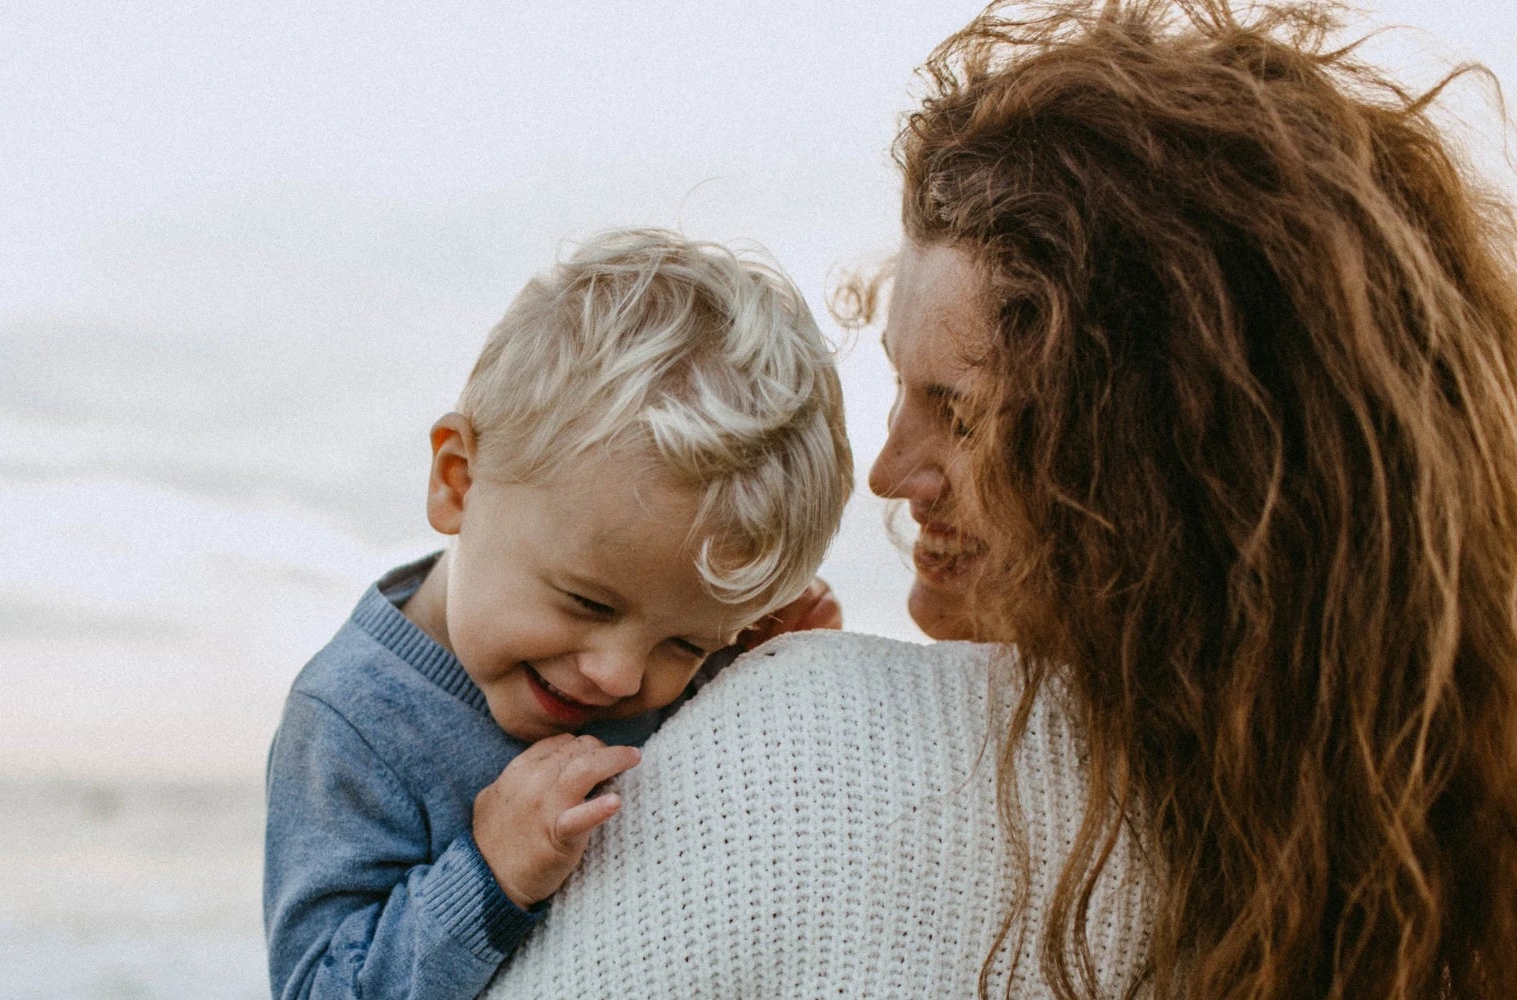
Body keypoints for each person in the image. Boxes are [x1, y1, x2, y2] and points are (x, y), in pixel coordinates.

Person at [485, 1, 1517, 997]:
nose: (888, 472)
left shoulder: (814, 740)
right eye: (898, 389)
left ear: (1160, 463)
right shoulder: (1423, 863)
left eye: (961, 414)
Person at [262, 228, 855, 1000]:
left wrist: (754, 672)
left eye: (686, 642)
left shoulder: (657, 643)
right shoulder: (354, 722)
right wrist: (488, 873)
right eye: (587, 602)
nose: (620, 674)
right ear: (458, 482)